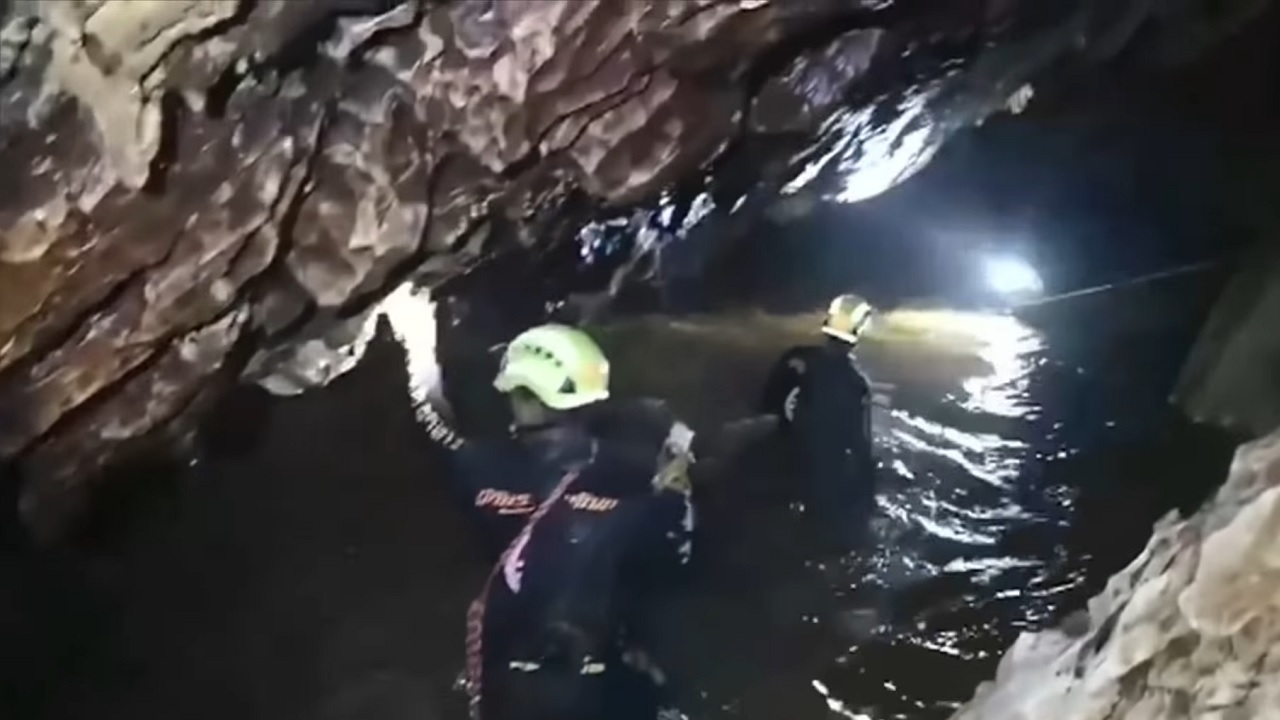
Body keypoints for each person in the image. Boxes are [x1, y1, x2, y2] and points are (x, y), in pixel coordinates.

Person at [413, 323, 695, 720]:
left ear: (523, 396)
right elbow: (674, 554)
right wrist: (676, 486)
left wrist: (416, 349)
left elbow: (431, 417)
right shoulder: (637, 469)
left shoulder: (472, 466)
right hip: (604, 668)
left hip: (511, 673)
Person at [758, 293, 879, 551]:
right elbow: (862, 449)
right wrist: (869, 502)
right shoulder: (857, 385)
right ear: (859, 331)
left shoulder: (796, 357)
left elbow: (768, 402)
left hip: (787, 463)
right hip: (827, 479)